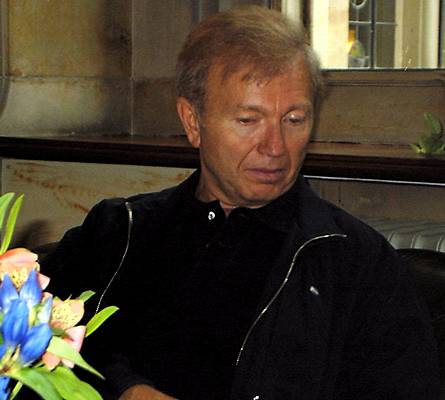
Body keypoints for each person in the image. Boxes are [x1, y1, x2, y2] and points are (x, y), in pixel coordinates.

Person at [42, 6, 440, 400]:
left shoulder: (356, 264)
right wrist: (125, 389)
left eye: (294, 119)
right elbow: (30, 352)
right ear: (192, 122)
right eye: (249, 120)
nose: (275, 147)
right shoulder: (120, 232)